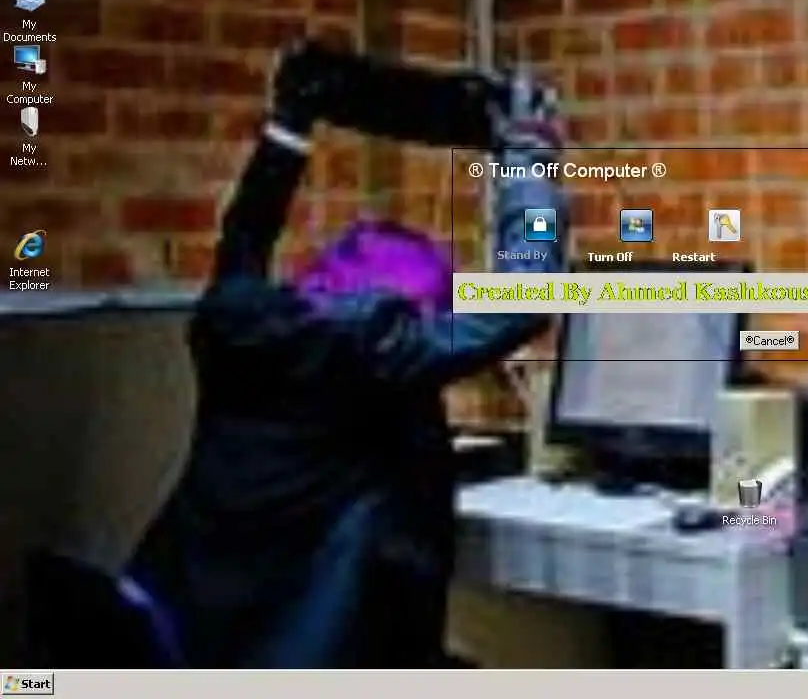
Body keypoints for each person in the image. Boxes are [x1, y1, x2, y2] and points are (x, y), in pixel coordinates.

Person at [125, 40, 566, 668]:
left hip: (201, 643)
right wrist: (528, 156)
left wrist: (289, 127)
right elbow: (528, 299)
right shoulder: (369, 354)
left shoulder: (231, 319)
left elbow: (244, 237)